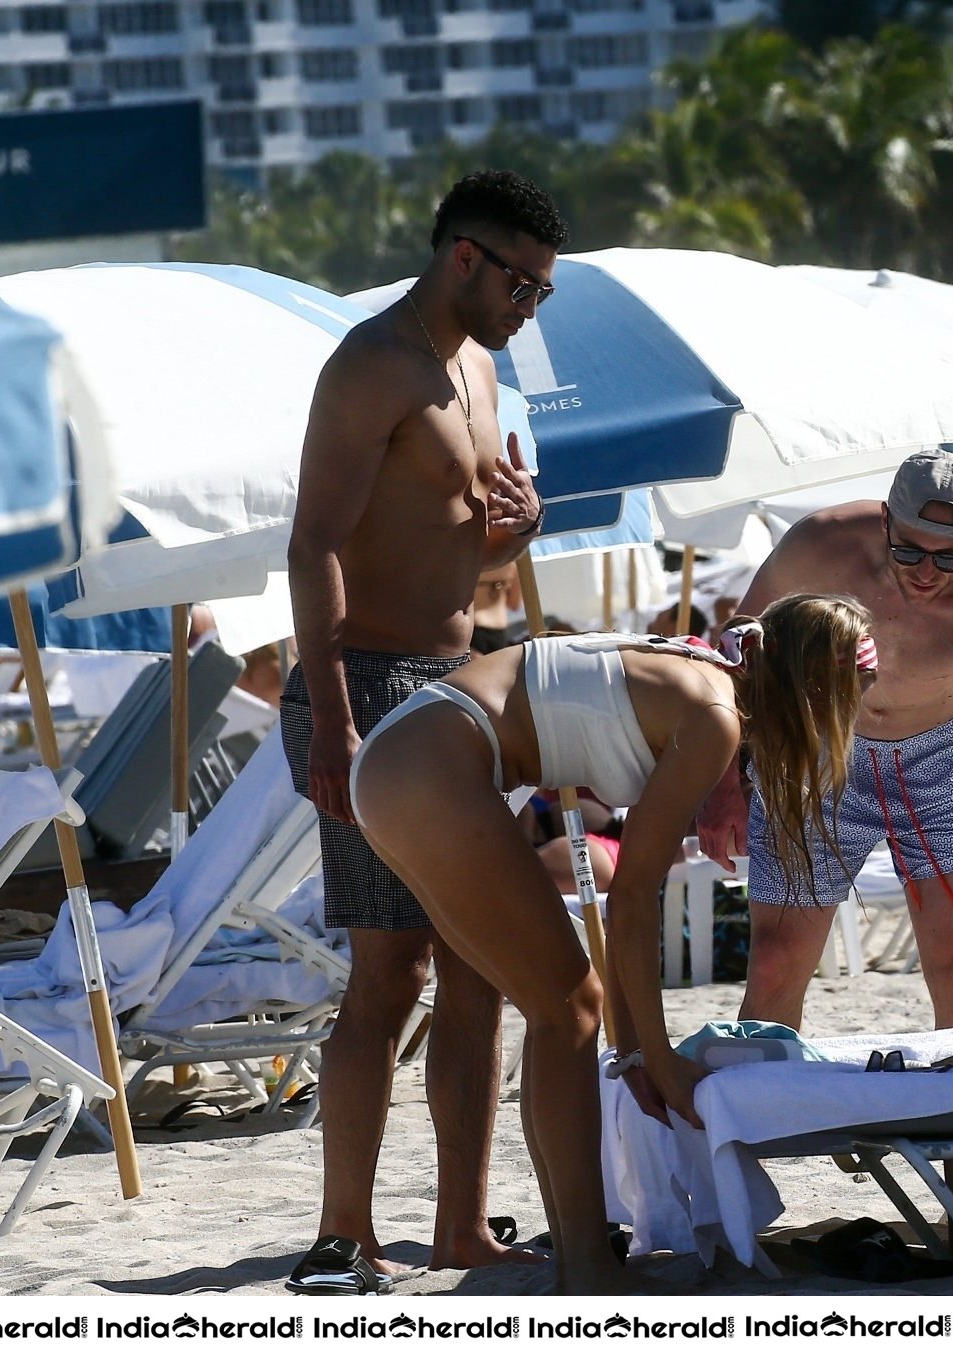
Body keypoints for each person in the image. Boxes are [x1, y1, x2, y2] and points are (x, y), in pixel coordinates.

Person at [347, 593, 878, 1293]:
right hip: (430, 761)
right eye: (850, 698)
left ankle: (549, 1247)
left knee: (546, 1002)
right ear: (814, 687)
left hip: (412, 757)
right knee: (569, 1007)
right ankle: (587, 1265)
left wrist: (634, 1050)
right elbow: (631, 900)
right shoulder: (715, 715)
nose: (853, 719)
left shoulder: (707, 681)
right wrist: (653, 1057)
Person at [281, 169, 568, 1293]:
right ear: (465, 257)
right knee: (386, 970)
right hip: (368, 683)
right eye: (524, 285)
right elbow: (313, 547)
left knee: (477, 965)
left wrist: (516, 535)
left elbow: (457, 554)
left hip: (455, 677)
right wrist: (334, 722)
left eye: (542, 292)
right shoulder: (371, 366)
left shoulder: (479, 368)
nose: (529, 308)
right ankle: (343, 1230)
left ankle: (460, 1228)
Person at [698, 452, 953, 1031]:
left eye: (949, 556)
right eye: (909, 549)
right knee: (775, 962)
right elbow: (734, 656)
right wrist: (724, 784)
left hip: (947, 763)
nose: (925, 571)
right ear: (886, 521)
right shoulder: (822, 546)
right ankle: (766, 1111)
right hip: (822, 751)